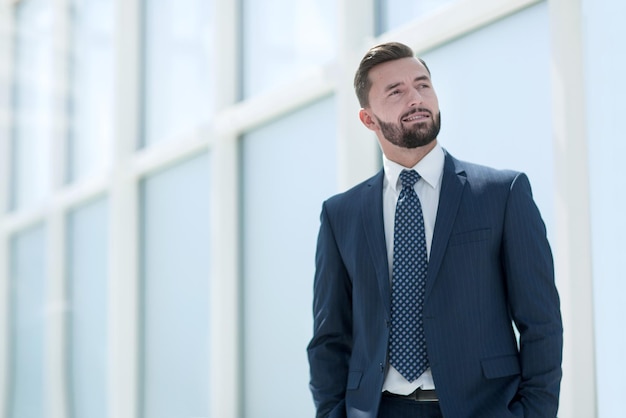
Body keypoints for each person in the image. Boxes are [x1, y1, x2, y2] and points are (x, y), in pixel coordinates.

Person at [307, 42, 563, 418]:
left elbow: (541, 323)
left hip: (483, 409)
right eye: (396, 91)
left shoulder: (501, 194)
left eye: (423, 84)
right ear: (368, 119)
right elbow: (329, 338)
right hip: (377, 410)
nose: (416, 98)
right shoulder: (340, 214)